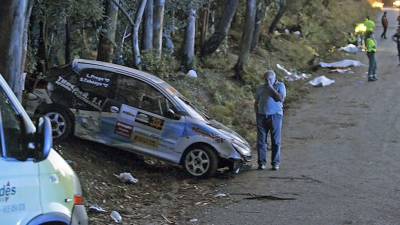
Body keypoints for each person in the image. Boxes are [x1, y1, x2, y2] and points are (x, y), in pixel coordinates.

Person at [254, 70, 286, 171]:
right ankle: (261, 163)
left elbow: (280, 99)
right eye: (265, 79)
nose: (267, 81)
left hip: (275, 116)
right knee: (261, 141)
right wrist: (257, 113)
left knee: (275, 141)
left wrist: (270, 87)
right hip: (262, 116)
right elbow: (256, 102)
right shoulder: (260, 88)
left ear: (274, 78)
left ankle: (275, 163)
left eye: (269, 79)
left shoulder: (280, 86)